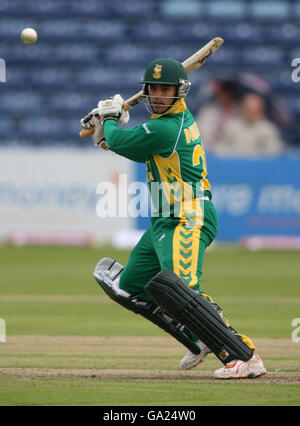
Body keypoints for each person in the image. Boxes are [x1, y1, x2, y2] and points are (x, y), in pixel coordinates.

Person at [80, 58, 267, 379]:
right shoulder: (163, 126)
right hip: (165, 221)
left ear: (180, 92)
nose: (157, 95)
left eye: (165, 89)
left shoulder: (169, 126)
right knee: (128, 288)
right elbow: (133, 146)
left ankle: (244, 356)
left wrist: (110, 118)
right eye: (153, 89)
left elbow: (127, 140)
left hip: (188, 217)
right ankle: (198, 339)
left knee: (183, 289)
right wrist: (106, 135)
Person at [211, 93, 284, 156]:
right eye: (249, 109)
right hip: (234, 166)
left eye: (255, 110)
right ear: (243, 108)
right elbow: (219, 148)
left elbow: (275, 151)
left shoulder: (268, 129)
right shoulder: (232, 126)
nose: (251, 113)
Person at [196, 80, 239, 152]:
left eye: (226, 93)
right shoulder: (207, 111)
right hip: (209, 151)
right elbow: (200, 133)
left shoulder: (239, 112)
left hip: (231, 153)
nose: (224, 96)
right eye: (221, 93)